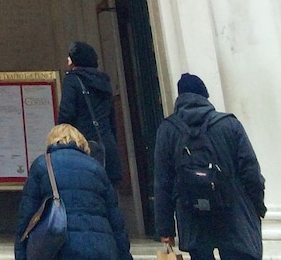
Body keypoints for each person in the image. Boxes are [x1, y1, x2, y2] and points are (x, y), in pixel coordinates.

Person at [154, 73, 266, 260]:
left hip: (192, 217)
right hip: (233, 216)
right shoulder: (229, 124)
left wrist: (165, 228)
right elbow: (251, 172)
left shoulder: (167, 130)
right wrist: (258, 207)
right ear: (205, 96)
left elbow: (162, 183)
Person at [14, 124, 132, 260]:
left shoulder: (43, 165)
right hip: (102, 247)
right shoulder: (96, 168)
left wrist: (21, 254)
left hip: (60, 247)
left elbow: (27, 216)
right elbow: (116, 220)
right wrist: (124, 255)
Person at [57, 41, 122, 186]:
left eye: (70, 57)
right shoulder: (104, 81)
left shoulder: (72, 80)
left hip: (84, 147)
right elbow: (111, 120)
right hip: (106, 147)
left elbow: (66, 114)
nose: (67, 60)